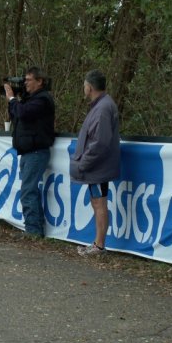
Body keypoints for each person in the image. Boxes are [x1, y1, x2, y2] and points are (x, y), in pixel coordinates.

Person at [70, 69, 121, 256]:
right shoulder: (101, 106)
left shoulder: (102, 109)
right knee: (97, 202)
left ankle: (99, 246)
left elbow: (100, 143)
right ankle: (97, 243)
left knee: (99, 204)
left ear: (89, 87)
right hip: (97, 167)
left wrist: (83, 164)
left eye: (84, 85)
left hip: (98, 168)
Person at [4, 66, 56, 238]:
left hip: (36, 152)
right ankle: (34, 230)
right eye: (24, 80)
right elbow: (17, 115)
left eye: (28, 80)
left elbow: (23, 113)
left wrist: (12, 98)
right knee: (29, 190)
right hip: (27, 152)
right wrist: (15, 100)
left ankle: (33, 232)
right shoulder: (31, 99)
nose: (25, 83)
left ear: (40, 81)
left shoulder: (42, 100)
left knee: (28, 191)